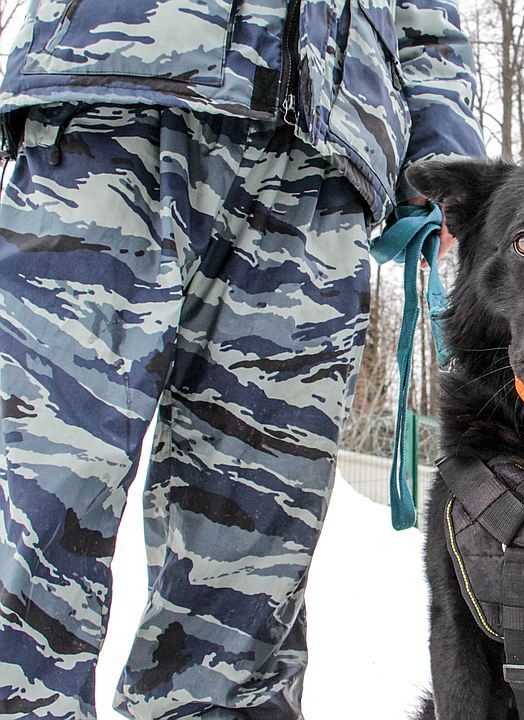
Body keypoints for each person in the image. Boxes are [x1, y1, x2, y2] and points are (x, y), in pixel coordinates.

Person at [0, 1, 484, 718]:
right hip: (115, 93)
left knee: (247, 564)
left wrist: (444, 155)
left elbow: (429, 18)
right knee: (37, 498)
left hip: (321, 165)